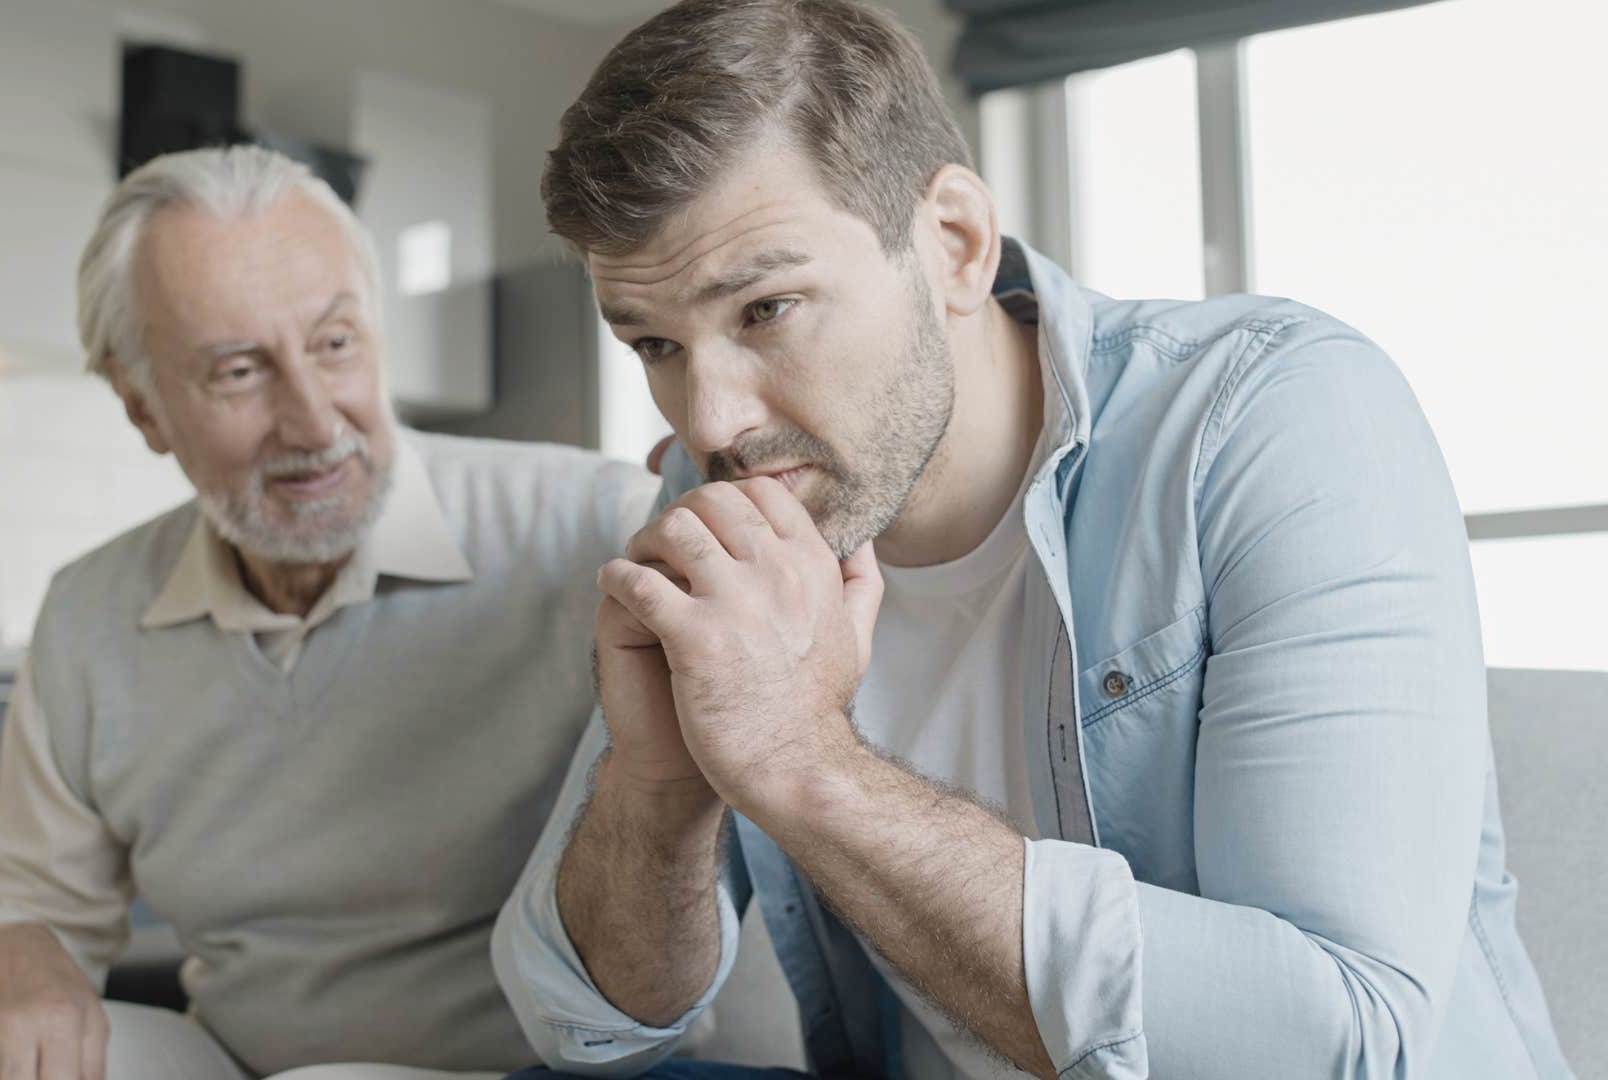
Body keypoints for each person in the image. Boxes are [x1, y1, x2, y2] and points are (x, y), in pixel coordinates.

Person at [492, 2, 1572, 1078]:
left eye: (766, 309)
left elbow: (1344, 1044)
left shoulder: (1274, 418)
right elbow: (586, 1026)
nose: (709, 420)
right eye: (654, 343)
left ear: (955, 243)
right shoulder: (735, 487)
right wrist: (661, 784)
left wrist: (802, 765)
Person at [0, 144, 658, 1080]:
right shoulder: (92, 614)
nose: (314, 421)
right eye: (240, 371)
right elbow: (34, 895)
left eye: (335, 344)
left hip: (531, 1069)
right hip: (235, 1061)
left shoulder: (591, 532)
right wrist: (11, 939)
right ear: (144, 407)